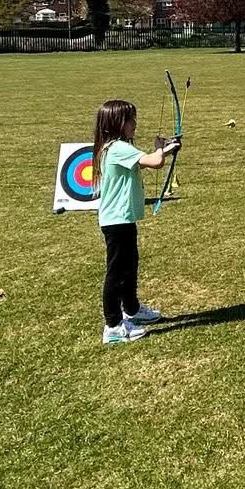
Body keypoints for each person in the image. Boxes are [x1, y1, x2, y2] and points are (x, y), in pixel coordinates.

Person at [90, 98, 180, 344]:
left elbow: (150, 160)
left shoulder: (115, 147)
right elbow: (155, 161)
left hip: (122, 219)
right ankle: (113, 326)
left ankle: (131, 308)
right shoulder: (117, 147)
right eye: (130, 119)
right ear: (117, 123)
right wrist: (161, 148)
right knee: (117, 272)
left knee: (129, 266)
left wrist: (169, 147)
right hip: (116, 220)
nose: (135, 124)